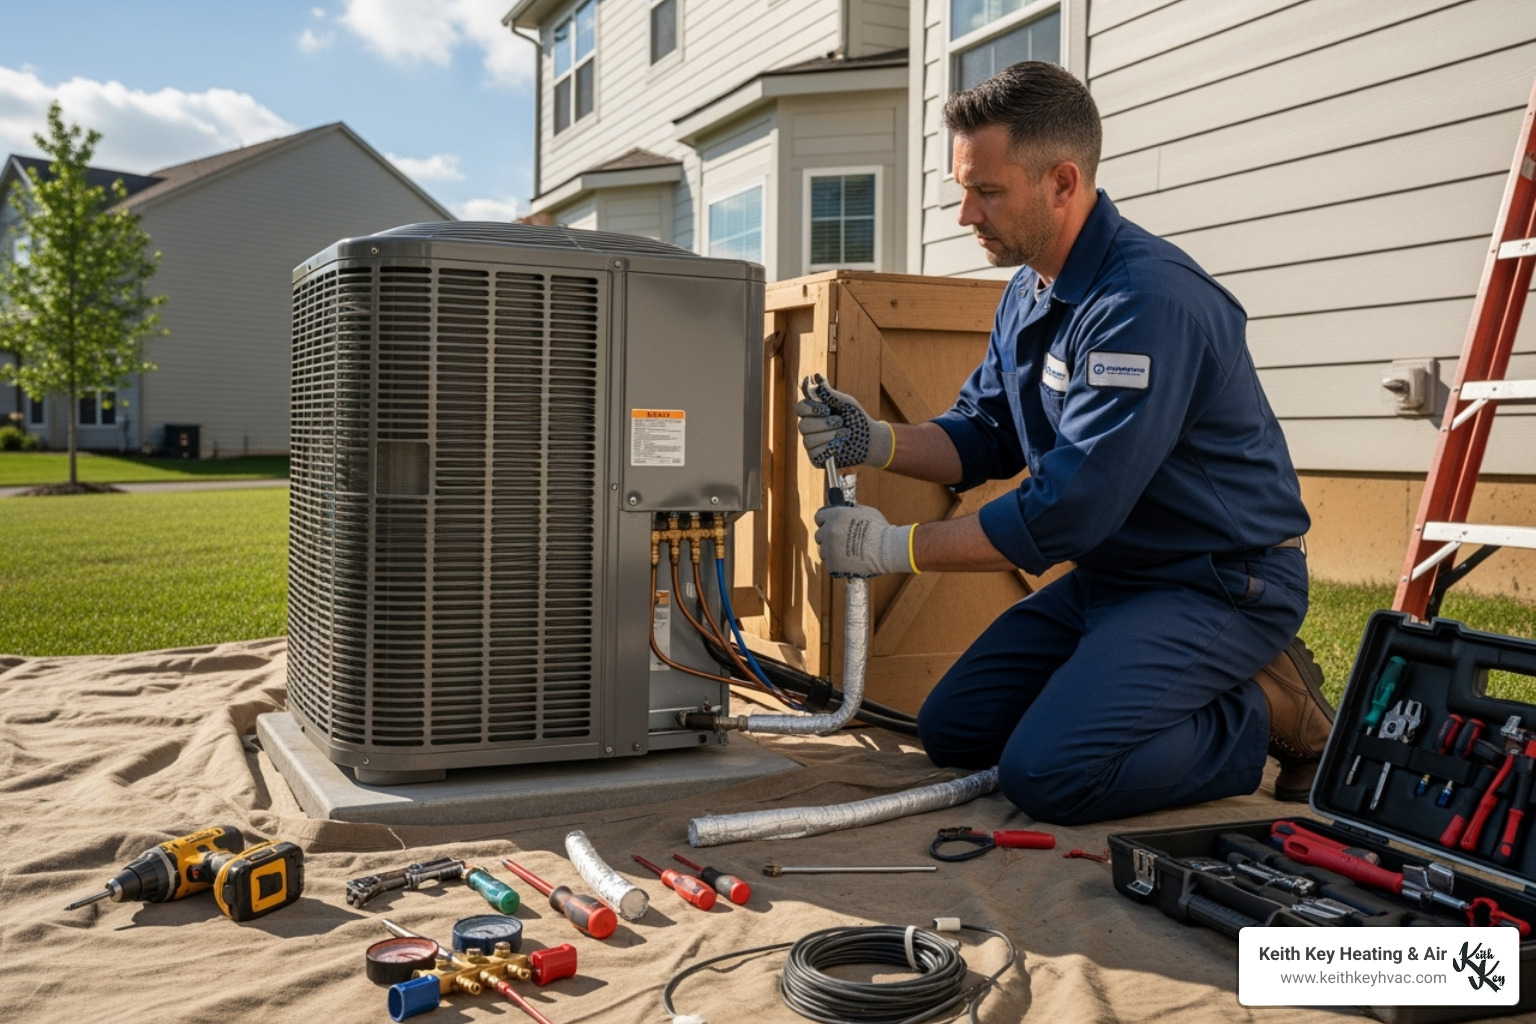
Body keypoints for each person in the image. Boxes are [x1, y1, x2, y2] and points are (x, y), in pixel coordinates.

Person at [797, 61, 1333, 826]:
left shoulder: (1144, 304)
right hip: (1116, 577)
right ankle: (1142, 690)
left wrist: (894, 548)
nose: (964, 214)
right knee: (954, 732)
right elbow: (984, 434)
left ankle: (1259, 712)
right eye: (963, 188)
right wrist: (876, 441)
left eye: (986, 192)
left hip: (1218, 582)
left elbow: (1065, 512)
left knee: (1049, 776)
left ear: (1062, 182)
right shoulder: (1031, 287)